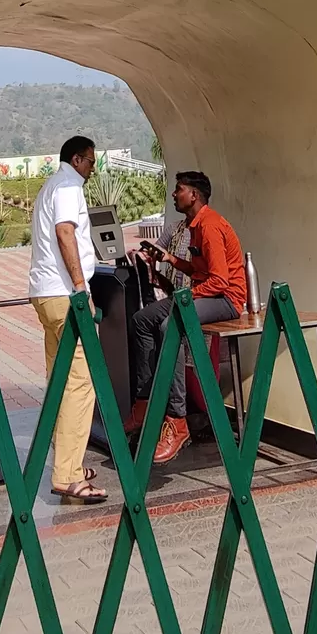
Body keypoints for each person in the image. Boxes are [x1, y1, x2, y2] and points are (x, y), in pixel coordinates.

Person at [129, 170, 247, 467]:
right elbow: (200, 271)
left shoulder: (209, 226)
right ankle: (144, 402)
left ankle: (178, 419)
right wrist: (170, 260)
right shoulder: (193, 225)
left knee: (172, 325)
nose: (174, 194)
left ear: (193, 195)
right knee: (142, 320)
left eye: (178, 189)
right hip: (204, 294)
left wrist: (186, 296)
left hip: (225, 300)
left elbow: (220, 281)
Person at [28, 134, 107, 504]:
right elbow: (65, 231)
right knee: (81, 381)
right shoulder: (69, 186)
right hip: (64, 294)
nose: (94, 169)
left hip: (45, 294)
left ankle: (67, 459)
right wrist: (80, 287)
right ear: (77, 159)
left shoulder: (50, 185)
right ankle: (68, 475)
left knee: (59, 379)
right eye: (91, 161)